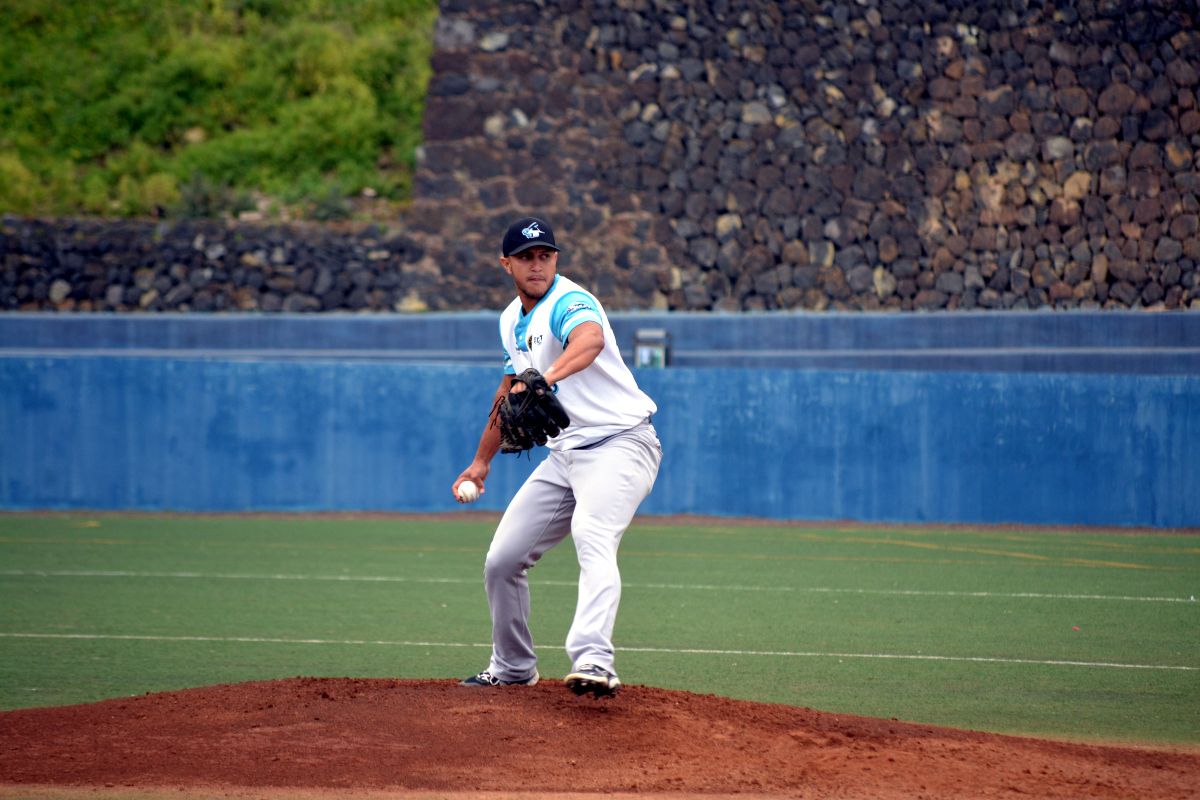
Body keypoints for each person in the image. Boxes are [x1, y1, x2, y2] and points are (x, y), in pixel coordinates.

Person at [452, 215, 662, 698]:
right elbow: (509, 389)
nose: (537, 264)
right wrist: (481, 462)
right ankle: (512, 667)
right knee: (502, 560)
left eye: (545, 255)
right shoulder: (510, 319)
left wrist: (546, 377)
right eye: (526, 257)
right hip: (566, 457)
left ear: (556, 260)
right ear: (506, 264)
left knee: (592, 533)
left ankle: (593, 660)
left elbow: (589, 340)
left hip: (621, 443)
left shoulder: (571, 300)